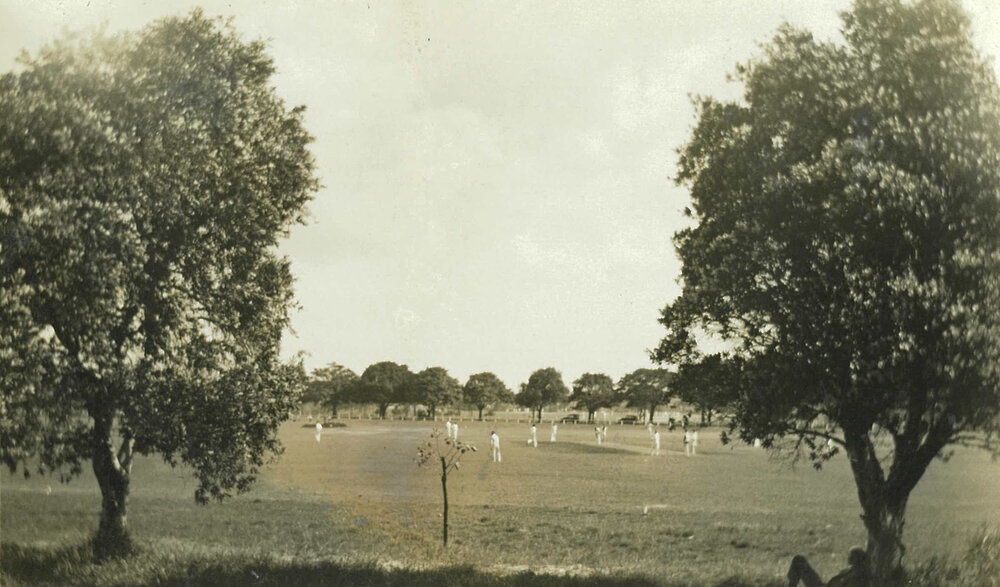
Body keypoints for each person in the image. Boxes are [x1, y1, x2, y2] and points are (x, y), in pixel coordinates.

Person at [787, 547, 871, 587]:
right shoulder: (850, 570)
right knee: (798, 559)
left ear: (860, 559)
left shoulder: (858, 576)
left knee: (798, 560)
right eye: (850, 555)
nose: (849, 558)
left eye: (852, 556)